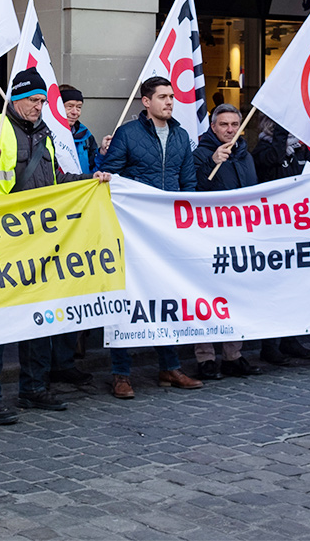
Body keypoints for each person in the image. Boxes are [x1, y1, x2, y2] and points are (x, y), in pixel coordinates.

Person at [0, 68, 109, 423]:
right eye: (34, 101)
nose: (40, 107)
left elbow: (57, 179)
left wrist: (89, 179)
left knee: (38, 317)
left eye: (42, 101)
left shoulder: (46, 135)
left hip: (38, 240)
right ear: (18, 99)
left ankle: (34, 388)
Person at [99, 76, 204, 399]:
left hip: (166, 230)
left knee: (166, 296)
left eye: (172, 96)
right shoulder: (128, 135)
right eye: (162, 97)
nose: (170, 102)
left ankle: (169, 367)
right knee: (126, 298)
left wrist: (186, 224)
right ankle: (121, 374)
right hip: (132, 230)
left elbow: (188, 183)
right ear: (146, 102)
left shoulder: (181, 135)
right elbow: (110, 176)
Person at [191, 104, 262, 379]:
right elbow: (192, 189)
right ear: (212, 127)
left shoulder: (245, 155)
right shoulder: (199, 154)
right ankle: (205, 357)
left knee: (234, 296)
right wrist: (211, 162)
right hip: (210, 237)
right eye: (224, 124)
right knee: (207, 297)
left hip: (240, 237)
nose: (230, 129)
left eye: (234, 124)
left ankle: (234, 354)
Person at [249, 116, 310, 367]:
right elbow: (275, 158)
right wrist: (282, 129)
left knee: (295, 287)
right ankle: (269, 346)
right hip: (271, 231)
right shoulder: (262, 149)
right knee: (274, 289)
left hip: (297, 229)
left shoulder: (301, 150)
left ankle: (291, 338)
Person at [50, 84, 111, 380]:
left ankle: (67, 357)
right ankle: (48, 360)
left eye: (78, 107)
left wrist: (100, 155)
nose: (73, 112)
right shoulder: (48, 134)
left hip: (80, 213)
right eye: (69, 106)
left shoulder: (85, 135)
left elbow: (93, 169)